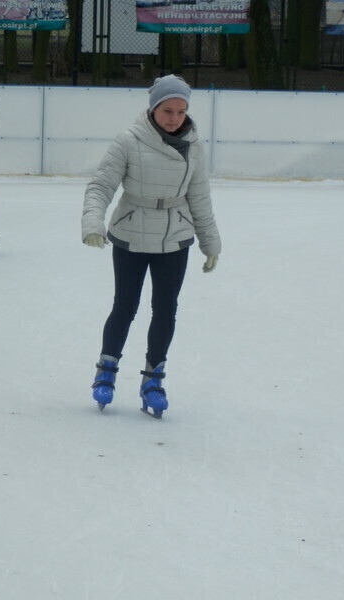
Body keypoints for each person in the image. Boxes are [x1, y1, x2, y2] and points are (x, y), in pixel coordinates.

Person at [82, 74, 221, 418]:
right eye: (167, 111)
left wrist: (210, 242)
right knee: (125, 306)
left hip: (175, 236)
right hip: (131, 232)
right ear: (153, 108)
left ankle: (153, 379)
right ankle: (106, 370)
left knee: (165, 308)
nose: (174, 118)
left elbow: (199, 196)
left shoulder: (193, 144)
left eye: (180, 111)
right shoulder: (128, 141)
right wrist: (92, 223)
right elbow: (101, 186)